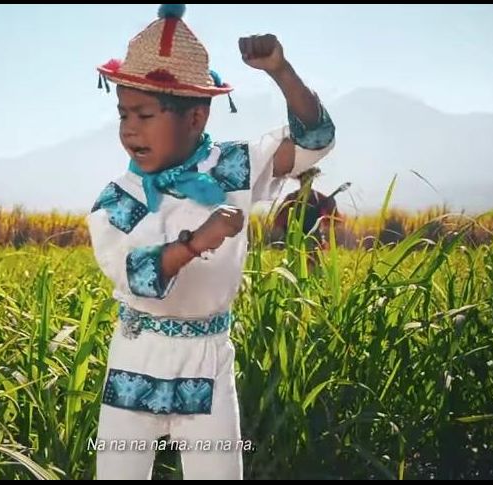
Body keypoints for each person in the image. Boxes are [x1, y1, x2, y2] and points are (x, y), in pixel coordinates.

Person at [87, 4, 335, 479]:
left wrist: (281, 72)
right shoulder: (118, 199)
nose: (129, 129)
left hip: (207, 359)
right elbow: (132, 273)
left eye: (143, 114)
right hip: (137, 354)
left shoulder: (230, 167)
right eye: (123, 114)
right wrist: (196, 242)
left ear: (196, 118)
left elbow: (315, 139)